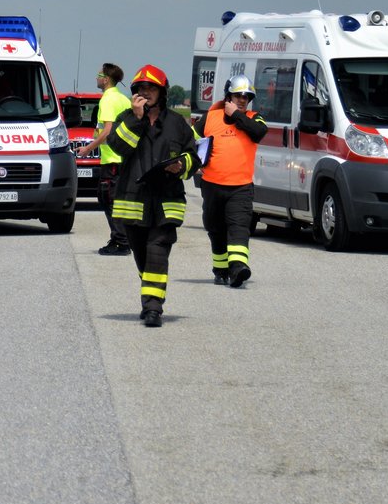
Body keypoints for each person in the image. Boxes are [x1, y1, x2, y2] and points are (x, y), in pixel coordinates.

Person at [105, 65, 199, 328]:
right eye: (141, 88)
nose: (145, 92)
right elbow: (118, 146)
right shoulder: (127, 117)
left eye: (151, 88)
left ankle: (153, 309)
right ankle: (151, 292)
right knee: (143, 257)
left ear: (162, 92)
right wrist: (136, 118)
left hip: (166, 202)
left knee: (157, 252)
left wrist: (182, 166)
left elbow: (194, 156)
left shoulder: (177, 124)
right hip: (133, 202)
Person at [202, 75, 268, 287]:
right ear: (228, 95)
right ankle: (220, 270)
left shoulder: (253, 118)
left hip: (240, 187)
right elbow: (191, 140)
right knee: (216, 229)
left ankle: (238, 267)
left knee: (239, 226)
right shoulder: (210, 118)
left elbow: (259, 133)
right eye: (238, 95)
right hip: (212, 185)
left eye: (246, 97)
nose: (242, 100)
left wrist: (237, 116)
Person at [76, 62, 131, 256]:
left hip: (112, 160)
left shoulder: (107, 100)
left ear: (106, 79)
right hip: (123, 159)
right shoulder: (124, 99)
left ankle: (121, 242)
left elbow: (107, 131)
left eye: (99, 74)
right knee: (118, 201)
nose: (96, 78)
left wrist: (87, 149)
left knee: (108, 199)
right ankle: (120, 239)